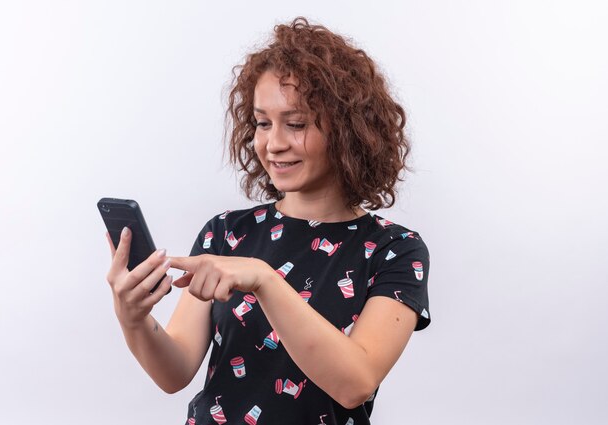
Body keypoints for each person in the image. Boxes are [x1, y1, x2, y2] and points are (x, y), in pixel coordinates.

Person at [105, 17, 430, 425]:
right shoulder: (225, 233)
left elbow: (355, 384)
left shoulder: (395, 250)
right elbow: (174, 372)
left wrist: (264, 279)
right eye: (262, 123)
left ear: (350, 131)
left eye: (295, 124)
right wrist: (132, 318)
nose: (273, 144)